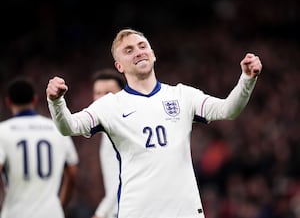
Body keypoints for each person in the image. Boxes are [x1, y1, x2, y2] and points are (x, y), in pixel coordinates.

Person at [46, 28, 262, 218]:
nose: (138, 51)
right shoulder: (110, 105)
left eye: (142, 46)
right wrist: (56, 102)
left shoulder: (182, 95)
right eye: (129, 50)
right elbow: (69, 127)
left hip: (184, 211)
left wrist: (247, 79)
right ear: (119, 66)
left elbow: (228, 110)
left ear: (152, 54)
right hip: (138, 211)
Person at [0, 77, 79, 218]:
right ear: (35, 100)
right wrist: (59, 205)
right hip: (51, 213)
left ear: (8, 102)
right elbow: (72, 174)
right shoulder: (57, 129)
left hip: (15, 213)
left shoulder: (3, 131)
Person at [91, 69, 126, 218]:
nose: (101, 99)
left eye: (108, 93)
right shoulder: (108, 129)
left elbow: (121, 181)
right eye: (97, 93)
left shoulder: (123, 130)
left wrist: (101, 213)